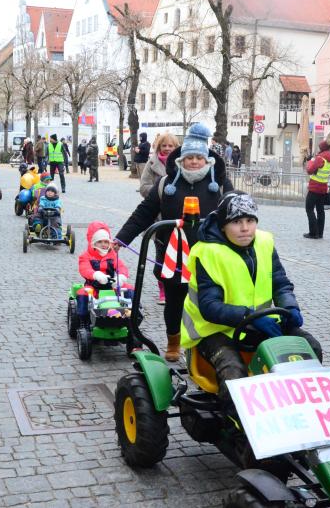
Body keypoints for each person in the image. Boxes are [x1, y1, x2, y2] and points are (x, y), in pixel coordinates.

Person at [181, 191, 323, 405]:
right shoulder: (208, 254)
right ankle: (236, 426)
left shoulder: (264, 243)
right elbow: (210, 307)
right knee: (233, 371)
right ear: (222, 226)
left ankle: (298, 406)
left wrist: (290, 307)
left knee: (310, 347)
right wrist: (250, 316)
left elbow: (280, 282)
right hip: (214, 331)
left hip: (259, 323)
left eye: (250, 220)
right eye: (237, 222)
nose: (245, 228)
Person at [115, 123, 232, 362]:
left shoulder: (218, 184)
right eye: (190, 157)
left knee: (208, 302)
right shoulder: (165, 184)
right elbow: (143, 214)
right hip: (173, 257)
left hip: (210, 257)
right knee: (174, 302)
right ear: (181, 158)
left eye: (200, 157)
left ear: (207, 158)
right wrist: (120, 239)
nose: (195, 162)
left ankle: (206, 346)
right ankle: (174, 342)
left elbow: (236, 209)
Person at [139, 133, 180, 305]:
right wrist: (161, 191)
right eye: (165, 146)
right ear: (159, 147)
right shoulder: (152, 163)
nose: (168, 148)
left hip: (178, 217)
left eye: (171, 146)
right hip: (159, 218)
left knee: (179, 256)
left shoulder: (181, 163)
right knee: (161, 256)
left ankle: (179, 288)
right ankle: (163, 288)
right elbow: (143, 187)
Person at [77, 222, 134, 328]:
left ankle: (131, 317)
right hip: (94, 286)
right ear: (93, 242)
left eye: (106, 242)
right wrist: (95, 275)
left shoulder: (113, 255)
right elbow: (84, 269)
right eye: (100, 242)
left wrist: (120, 277)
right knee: (83, 293)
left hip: (111, 287)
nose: (104, 244)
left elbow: (121, 267)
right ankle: (83, 321)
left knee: (129, 288)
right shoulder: (86, 256)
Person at [303, 139, 330, 239]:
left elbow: (309, 170)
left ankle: (313, 233)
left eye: (319, 147)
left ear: (322, 148)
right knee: (320, 211)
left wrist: (310, 161)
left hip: (314, 187)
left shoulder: (320, 158)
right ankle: (320, 233)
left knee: (309, 209)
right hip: (323, 187)